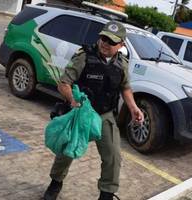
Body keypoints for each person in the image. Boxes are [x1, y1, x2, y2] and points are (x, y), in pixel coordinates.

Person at [44, 21, 144, 200]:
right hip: (80, 113)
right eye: (103, 38)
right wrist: (72, 100)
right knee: (67, 150)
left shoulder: (122, 64)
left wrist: (134, 107)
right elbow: (64, 83)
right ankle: (55, 183)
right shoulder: (84, 57)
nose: (105, 43)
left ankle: (106, 194)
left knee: (113, 156)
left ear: (121, 45)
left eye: (111, 41)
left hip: (104, 115)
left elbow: (125, 88)